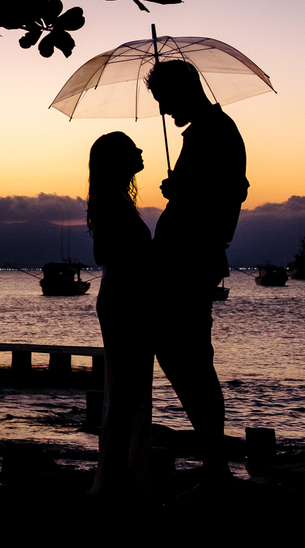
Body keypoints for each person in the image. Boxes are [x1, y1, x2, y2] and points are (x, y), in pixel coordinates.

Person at [146, 60, 248, 485]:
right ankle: (215, 461)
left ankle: (215, 464)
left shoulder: (213, 131)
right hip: (187, 259)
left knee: (186, 358)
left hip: (190, 260)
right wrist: (182, 191)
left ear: (186, 90)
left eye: (165, 100)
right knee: (186, 357)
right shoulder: (209, 130)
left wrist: (182, 192)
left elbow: (225, 195)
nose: (165, 111)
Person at [86, 131, 154, 496]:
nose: (141, 151)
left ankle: (124, 478)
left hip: (129, 299)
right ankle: (116, 484)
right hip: (122, 300)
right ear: (117, 160)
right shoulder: (111, 199)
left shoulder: (119, 199)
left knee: (129, 391)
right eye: (132, 149)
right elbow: (103, 254)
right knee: (125, 392)